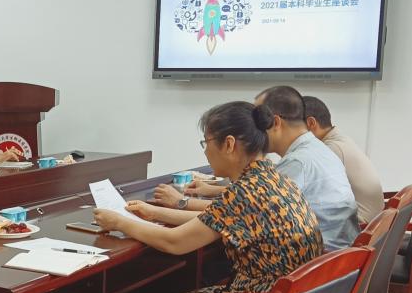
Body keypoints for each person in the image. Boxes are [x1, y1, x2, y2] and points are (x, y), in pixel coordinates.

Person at [38, 102, 323, 293]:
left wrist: (120, 222)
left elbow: (175, 243)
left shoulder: (247, 191)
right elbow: (213, 220)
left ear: (229, 144)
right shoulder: (270, 179)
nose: (206, 152)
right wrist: (152, 213)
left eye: (206, 142)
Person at [148, 86, 359, 250]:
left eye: (259, 119)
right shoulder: (310, 152)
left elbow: (241, 207)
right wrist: (213, 190)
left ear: (275, 122)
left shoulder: (298, 162)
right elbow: (247, 204)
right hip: (331, 259)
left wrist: (181, 203)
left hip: (322, 259)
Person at [303, 96, 384, 223]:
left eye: (293, 127)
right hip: (374, 224)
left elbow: (307, 193)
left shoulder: (331, 149)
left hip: (360, 225)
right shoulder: (339, 140)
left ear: (311, 123)